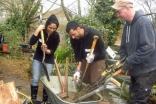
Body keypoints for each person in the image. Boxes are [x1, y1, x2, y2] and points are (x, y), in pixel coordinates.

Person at [111, 0, 156, 103]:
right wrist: (122, 59)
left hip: (146, 70)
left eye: (119, 12)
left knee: (138, 101)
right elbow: (123, 47)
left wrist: (129, 61)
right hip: (136, 69)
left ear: (128, 8)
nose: (117, 15)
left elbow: (148, 47)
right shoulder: (127, 25)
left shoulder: (143, 22)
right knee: (132, 99)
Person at [29, 14, 60, 103]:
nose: (52, 30)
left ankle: (45, 100)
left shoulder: (56, 36)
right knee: (35, 78)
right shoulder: (41, 31)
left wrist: (46, 50)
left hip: (49, 59)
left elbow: (53, 50)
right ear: (46, 25)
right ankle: (33, 100)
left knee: (47, 80)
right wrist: (37, 30)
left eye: (54, 28)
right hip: (38, 57)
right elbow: (31, 43)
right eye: (50, 27)